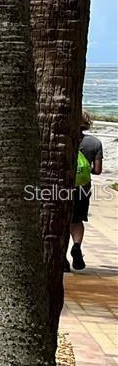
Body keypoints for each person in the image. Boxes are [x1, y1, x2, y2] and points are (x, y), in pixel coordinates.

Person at [71, 110, 103, 271]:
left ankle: (61, 258)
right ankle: (76, 245)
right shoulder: (95, 143)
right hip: (83, 187)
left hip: (59, 186)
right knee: (77, 219)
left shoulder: (60, 138)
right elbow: (97, 170)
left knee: (61, 221)